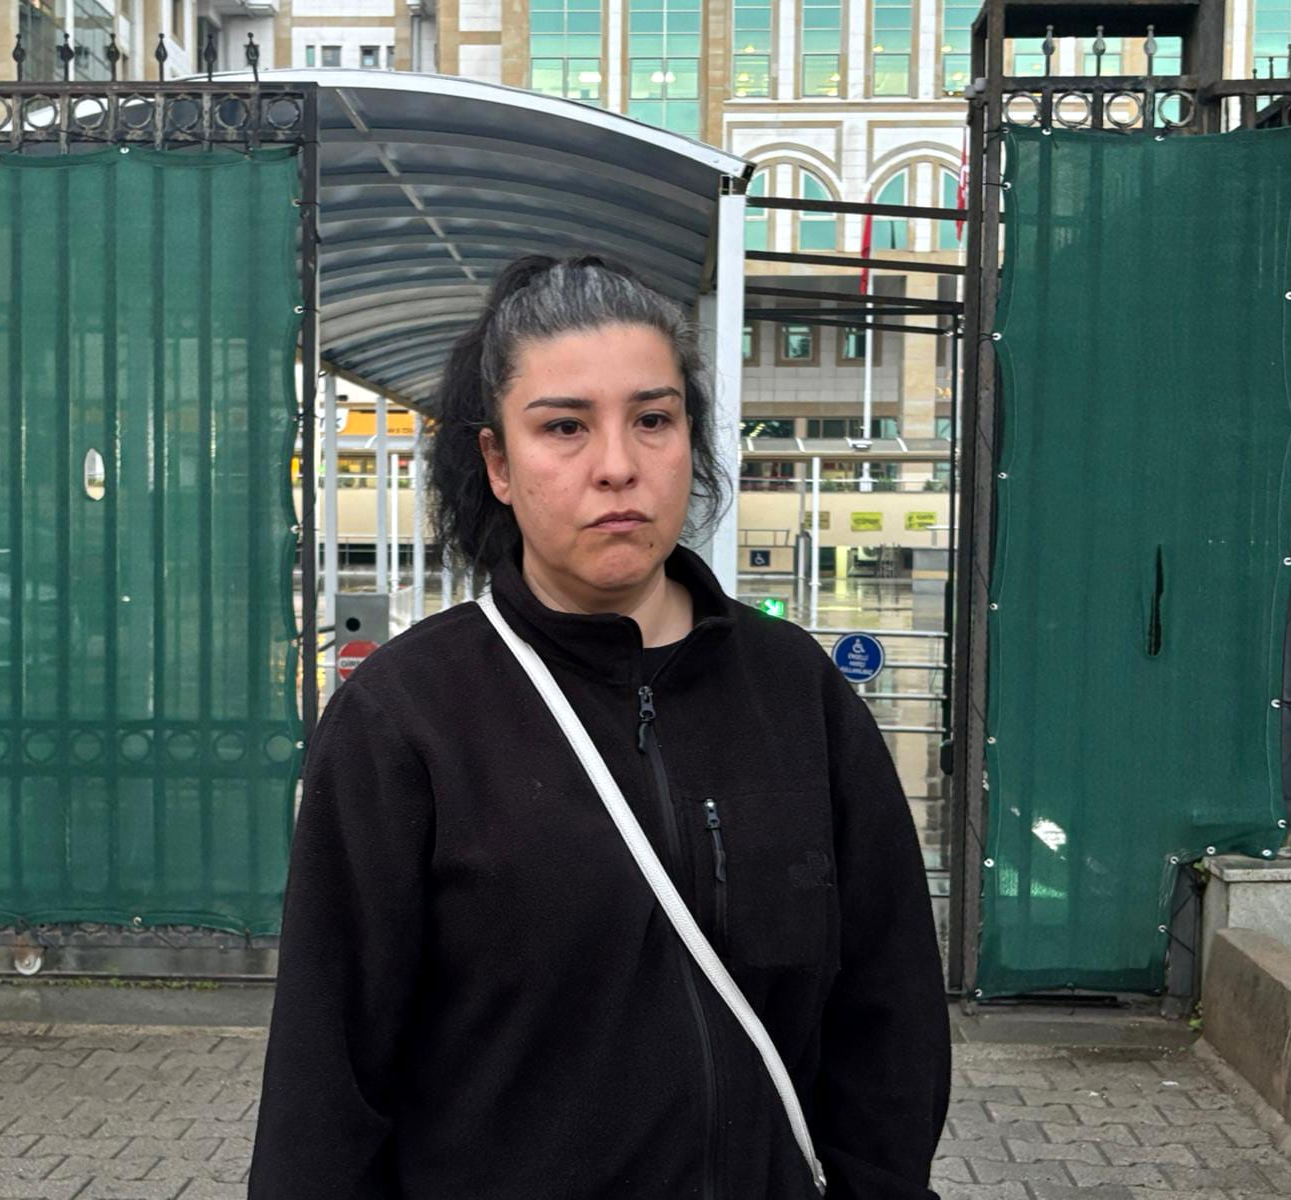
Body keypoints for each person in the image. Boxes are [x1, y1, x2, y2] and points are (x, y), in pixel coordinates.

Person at [247, 253, 950, 1198]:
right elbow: (326, 1083)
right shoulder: (404, 719)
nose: (618, 465)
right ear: (498, 464)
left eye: (653, 419)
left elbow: (889, 1009)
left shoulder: (796, 694)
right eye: (565, 427)